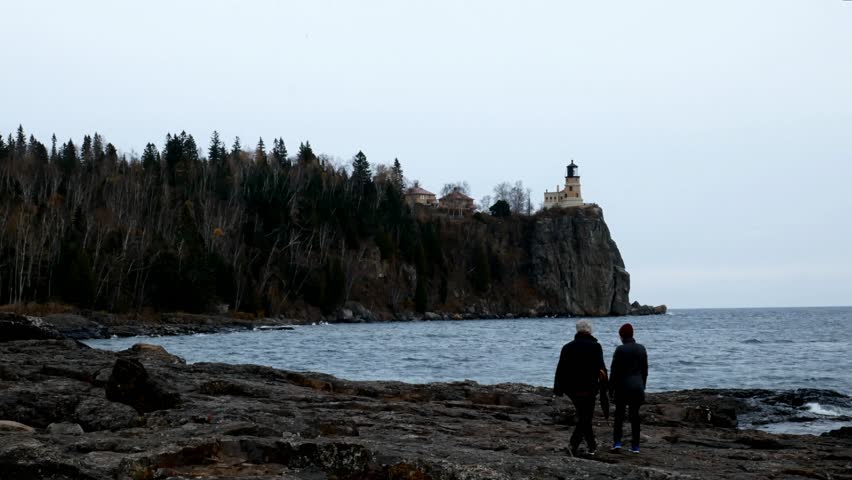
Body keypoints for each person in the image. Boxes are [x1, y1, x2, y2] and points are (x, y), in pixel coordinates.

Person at [553, 319, 609, 456]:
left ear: (577, 330)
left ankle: (591, 446)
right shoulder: (596, 347)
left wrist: (558, 389)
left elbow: (560, 369)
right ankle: (574, 444)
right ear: (589, 331)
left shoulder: (567, 347)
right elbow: (601, 369)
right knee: (586, 417)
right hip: (589, 388)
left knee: (584, 416)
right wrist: (605, 386)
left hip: (572, 389)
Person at [609, 323, 648, 454]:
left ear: (621, 336)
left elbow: (614, 372)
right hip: (637, 386)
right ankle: (635, 446)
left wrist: (610, 389)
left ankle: (617, 443)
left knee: (619, 415)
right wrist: (643, 386)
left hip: (622, 386)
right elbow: (645, 370)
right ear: (632, 334)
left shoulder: (620, 350)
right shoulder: (641, 348)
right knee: (635, 416)